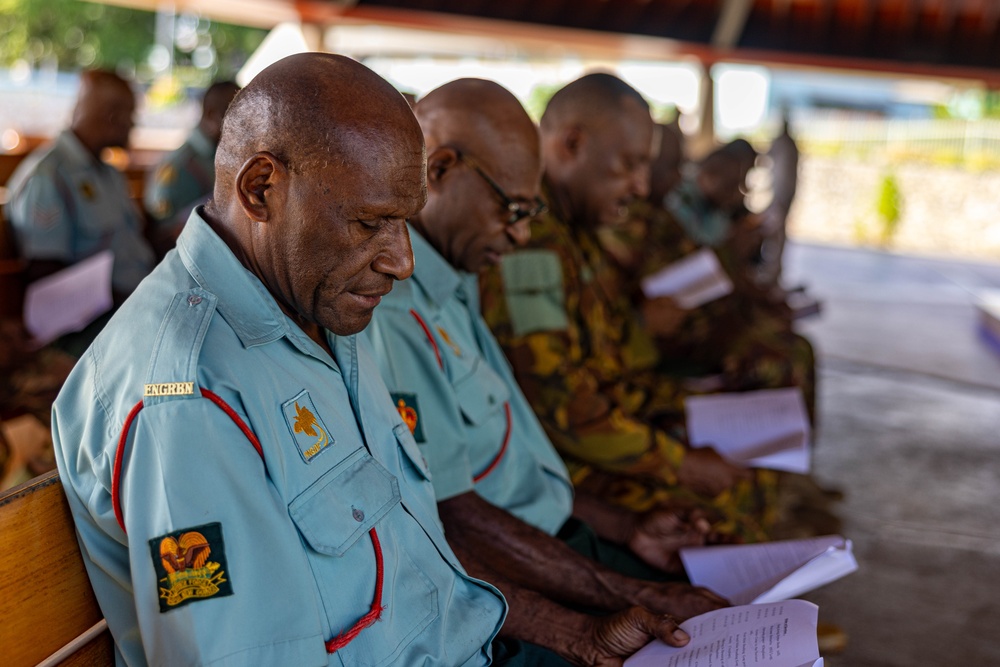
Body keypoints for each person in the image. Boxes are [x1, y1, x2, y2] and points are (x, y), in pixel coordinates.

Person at [51, 54, 694, 667]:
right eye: (370, 223)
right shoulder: (188, 398)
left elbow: (423, 568)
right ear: (261, 189)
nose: (402, 260)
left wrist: (577, 637)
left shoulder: (314, 307)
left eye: (406, 223)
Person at [362, 78, 727, 665]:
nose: (523, 233)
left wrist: (628, 530)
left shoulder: (455, 282)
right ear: (441, 170)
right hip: (511, 584)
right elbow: (455, 519)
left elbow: (514, 466)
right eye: (511, 210)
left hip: (553, 542)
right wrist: (617, 599)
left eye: (530, 212)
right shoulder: (395, 313)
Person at [480, 73, 774, 542]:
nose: (641, 186)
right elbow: (561, 404)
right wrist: (679, 462)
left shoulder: (577, 229)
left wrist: (684, 411)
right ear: (571, 144)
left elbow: (613, 352)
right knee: (719, 516)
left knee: (752, 447)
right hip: (558, 466)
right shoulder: (533, 243)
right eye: (630, 165)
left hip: (607, 421)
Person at [5, 69, 154, 303]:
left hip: (139, 300)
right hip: (100, 320)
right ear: (112, 117)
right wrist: (132, 303)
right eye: (132, 115)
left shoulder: (109, 174)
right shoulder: (48, 177)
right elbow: (47, 281)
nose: (134, 125)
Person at [144, 80, 240, 249]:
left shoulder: (226, 154)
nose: (243, 126)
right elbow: (164, 237)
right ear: (211, 115)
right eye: (237, 117)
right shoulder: (180, 168)